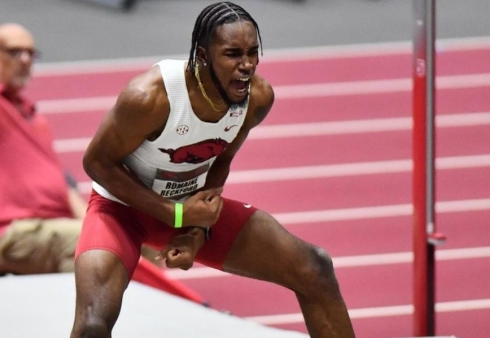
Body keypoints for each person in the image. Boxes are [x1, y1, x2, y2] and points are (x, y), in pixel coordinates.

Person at [71, 2, 356, 338]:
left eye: (253, 52)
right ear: (204, 56)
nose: (247, 65)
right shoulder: (150, 98)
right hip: (121, 211)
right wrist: (174, 214)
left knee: (314, 268)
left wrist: (195, 232)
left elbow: (220, 159)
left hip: (188, 209)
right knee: (93, 324)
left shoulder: (257, 98)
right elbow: (96, 163)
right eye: (233, 54)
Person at [0, 0, 168, 279]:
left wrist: (95, 224)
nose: (24, 59)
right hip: (8, 233)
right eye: (13, 52)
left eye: (29, 53)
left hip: (54, 226)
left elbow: (64, 185)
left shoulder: (35, 119)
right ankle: (84, 319)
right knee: (87, 247)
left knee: (142, 243)